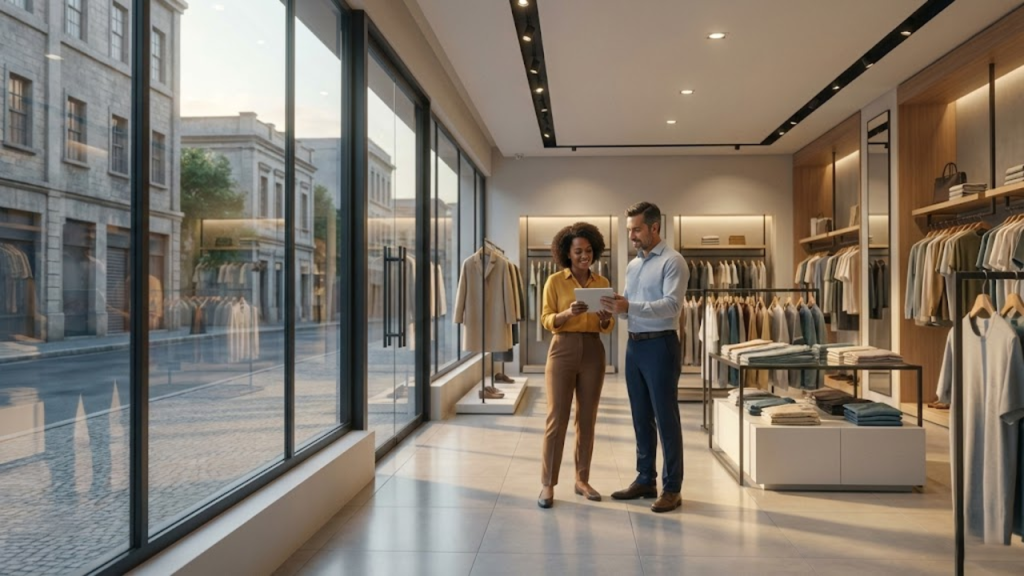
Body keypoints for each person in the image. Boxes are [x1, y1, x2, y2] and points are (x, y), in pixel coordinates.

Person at [601, 202, 688, 513]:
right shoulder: (633, 266)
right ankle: (645, 479)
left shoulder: (673, 261)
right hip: (635, 346)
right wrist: (614, 309)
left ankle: (672, 488)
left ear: (654, 227)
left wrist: (629, 307)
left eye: (636, 230)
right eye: (629, 230)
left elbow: (671, 306)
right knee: (640, 416)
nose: (632, 236)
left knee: (666, 419)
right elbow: (629, 308)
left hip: (661, 346)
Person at [537, 222, 614, 509]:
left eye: (589, 250)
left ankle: (582, 479)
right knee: (556, 418)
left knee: (587, 418)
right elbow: (546, 319)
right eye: (578, 251)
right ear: (567, 253)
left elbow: (608, 326)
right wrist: (567, 313)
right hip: (563, 349)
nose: (584, 256)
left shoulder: (602, 282)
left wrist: (606, 318)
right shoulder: (555, 281)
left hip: (593, 349)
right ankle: (547, 483)